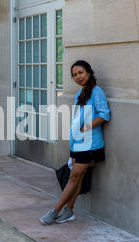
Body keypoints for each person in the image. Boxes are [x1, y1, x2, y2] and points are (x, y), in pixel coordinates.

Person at [40, 60, 111, 225]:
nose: (78, 77)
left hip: (91, 143)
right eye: (74, 75)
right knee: (77, 178)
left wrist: (87, 126)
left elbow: (104, 114)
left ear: (88, 72)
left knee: (74, 177)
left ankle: (55, 210)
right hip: (78, 143)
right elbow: (75, 120)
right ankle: (69, 211)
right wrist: (73, 144)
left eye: (80, 73)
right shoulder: (80, 93)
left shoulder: (96, 91)